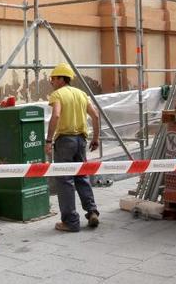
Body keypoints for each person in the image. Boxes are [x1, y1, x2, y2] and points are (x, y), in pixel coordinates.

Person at [45, 63, 100, 232]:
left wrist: (48, 140)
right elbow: (96, 115)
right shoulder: (81, 94)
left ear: (61, 79)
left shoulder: (57, 95)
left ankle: (70, 222)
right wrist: (96, 138)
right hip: (81, 141)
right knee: (82, 176)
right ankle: (91, 211)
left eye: (53, 79)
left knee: (65, 180)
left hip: (65, 141)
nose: (52, 82)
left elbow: (56, 115)